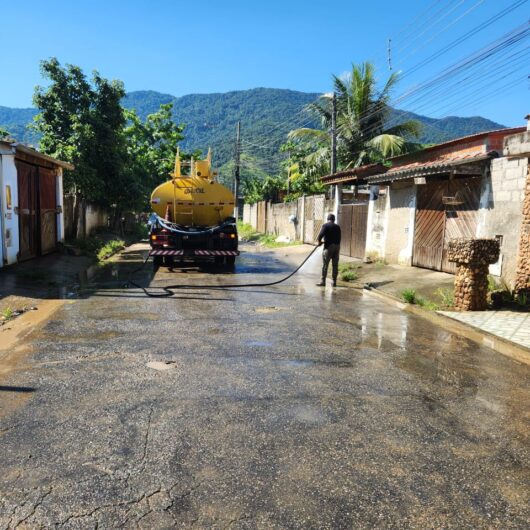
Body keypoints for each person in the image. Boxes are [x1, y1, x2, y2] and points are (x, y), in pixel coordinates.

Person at [316, 213, 341, 287]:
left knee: (325, 265)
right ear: (334, 219)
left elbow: (320, 235)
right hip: (337, 247)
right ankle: (334, 282)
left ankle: (323, 281)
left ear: (328, 219)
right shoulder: (338, 227)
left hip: (329, 247)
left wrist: (319, 242)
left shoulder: (325, 225)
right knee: (335, 265)